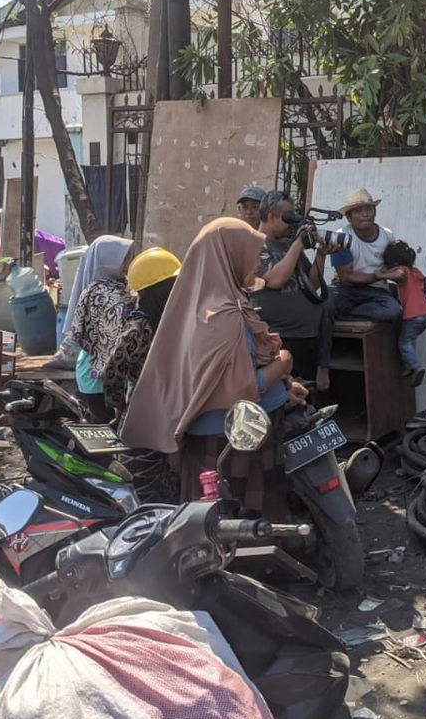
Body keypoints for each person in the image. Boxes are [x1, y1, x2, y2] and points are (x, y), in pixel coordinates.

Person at [120, 218, 309, 512]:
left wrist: (284, 385)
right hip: (232, 441)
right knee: (242, 523)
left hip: (229, 434)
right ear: (228, 255)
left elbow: (232, 370)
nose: (257, 265)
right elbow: (243, 389)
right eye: (251, 255)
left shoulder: (204, 304)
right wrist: (286, 362)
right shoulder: (222, 316)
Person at [253, 191, 339, 385]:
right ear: (269, 215)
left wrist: (321, 255)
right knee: (282, 395)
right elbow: (275, 280)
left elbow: (313, 284)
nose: (291, 223)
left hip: (306, 335)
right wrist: (298, 244)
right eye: (287, 217)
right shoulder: (255, 244)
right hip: (279, 338)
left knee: (305, 393)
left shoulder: (288, 245)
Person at [102, 247, 181, 420]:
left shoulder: (151, 323)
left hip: (160, 409)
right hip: (162, 410)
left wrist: (119, 407)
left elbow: (112, 369)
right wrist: (120, 407)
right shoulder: (144, 326)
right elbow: (113, 368)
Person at [66, 236, 135, 423]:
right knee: (107, 437)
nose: (129, 263)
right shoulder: (105, 294)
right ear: (109, 261)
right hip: (100, 379)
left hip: (91, 376)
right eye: (124, 259)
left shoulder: (102, 287)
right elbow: (114, 340)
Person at [329, 188, 403, 322]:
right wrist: (378, 275)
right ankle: (347, 312)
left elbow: (398, 264)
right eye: (358, 211)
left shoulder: (387, 235)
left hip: (376, 290)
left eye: (369, 209)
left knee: (392, 310)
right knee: (327, 303)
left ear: (375, 212)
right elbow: (346, 278)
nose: (365, 214)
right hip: (346, 289)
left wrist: (413, 279)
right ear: (349, 217)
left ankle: (345, 314)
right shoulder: (341, 237)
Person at [382, 239, 426, 387]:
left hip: (413, 315)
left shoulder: (402, 270)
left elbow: (397, 275)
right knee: (411, 339)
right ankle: (408, 365)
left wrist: (380, 275)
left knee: (403, 342)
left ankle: (416, 367)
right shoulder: (416, 272)